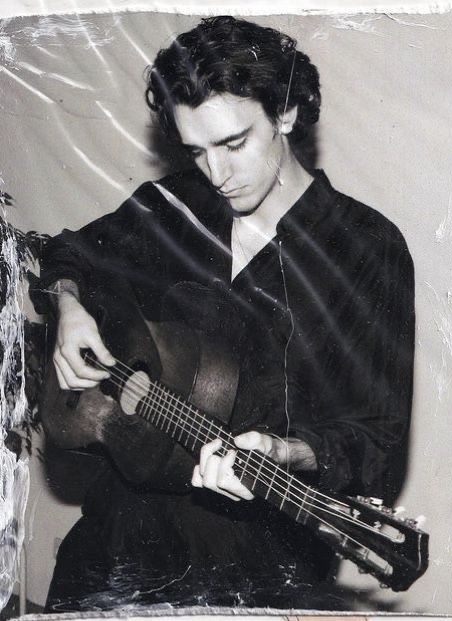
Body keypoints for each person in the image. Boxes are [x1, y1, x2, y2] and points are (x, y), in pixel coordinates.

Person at [31, 15, 415, 612]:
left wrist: (286, 453)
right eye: (196, 151)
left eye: (234, 143)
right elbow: (66, 253)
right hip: (112, 547)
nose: (216, 174)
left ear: (285, 113)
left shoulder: (366, 247)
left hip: (256, 571)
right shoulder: (172, 206)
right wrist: (69, 304)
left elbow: (377, 441)